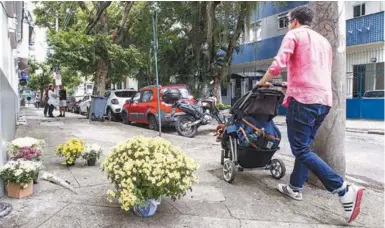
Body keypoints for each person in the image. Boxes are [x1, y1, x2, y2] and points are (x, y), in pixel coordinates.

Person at [256, 6, 364, 224]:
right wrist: (291, 83)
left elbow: (278, 64)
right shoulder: (323, 42)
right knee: (304, 147)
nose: (288, 25)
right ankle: (295, 187)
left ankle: (343, 189)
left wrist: (263, 81)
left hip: (304, 101)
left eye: (287, 21)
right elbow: (316, 72)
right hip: (323, 101)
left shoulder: (294, 35)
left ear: (294, 21)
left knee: (301, 149)